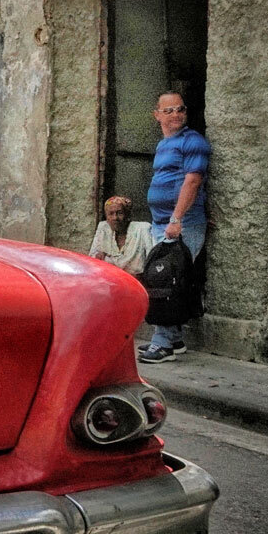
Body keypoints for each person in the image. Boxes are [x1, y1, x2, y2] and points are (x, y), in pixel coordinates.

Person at [138, 92, 210, 364]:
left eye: (180, 109)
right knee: (169, 280)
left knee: (166, 281)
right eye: (168, 111)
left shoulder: (193, 141)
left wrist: (176, 219)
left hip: (181, 224)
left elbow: (193, 181)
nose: (176, 114)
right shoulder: (164, 145)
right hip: (164, 224)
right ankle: (175, 339)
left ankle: (163, 345)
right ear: (157, 115)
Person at [88, 196, 153, 276]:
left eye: (120, 213)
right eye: (111, 214)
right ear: (106, 217)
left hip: (137, 281)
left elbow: (152, 261)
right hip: (110, 279)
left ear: (127, 215)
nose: (115, 218)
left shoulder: (142, 229)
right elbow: (92, 260)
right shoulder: (103, 228)